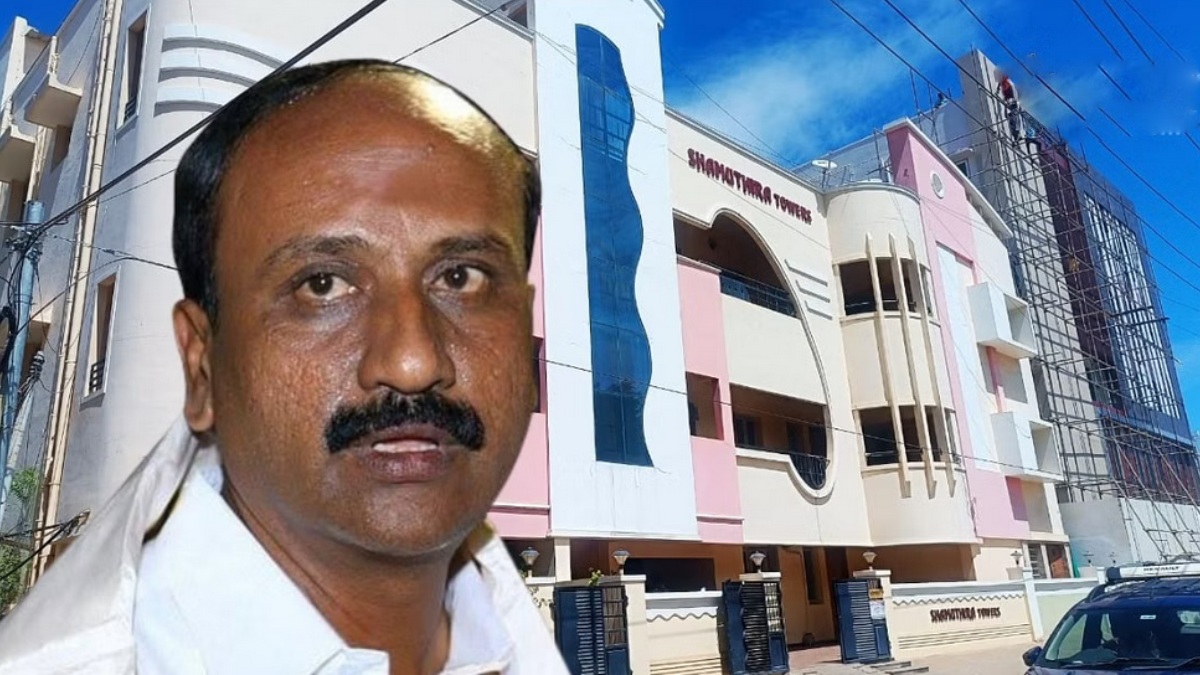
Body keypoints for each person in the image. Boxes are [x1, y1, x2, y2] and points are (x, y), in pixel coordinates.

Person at [0, 59, 568, 675]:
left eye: (461, 277)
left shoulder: (516, 635)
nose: (412, 362)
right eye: (322, 285)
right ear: (202, 365)